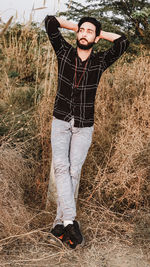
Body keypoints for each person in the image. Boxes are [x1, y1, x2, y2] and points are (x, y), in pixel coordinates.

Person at [45, 15, 129, 249]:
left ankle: (59, 224)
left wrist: (99, 32)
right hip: (60, 120)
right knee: (61, 167)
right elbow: (50, 22)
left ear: (96, 37)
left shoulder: (100, 61)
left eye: (89, 32)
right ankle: (70, 221)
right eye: (81, 31)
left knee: (74, 171)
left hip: (84, 125)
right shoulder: (63, 51)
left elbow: (123, 42)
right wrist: (78, 27)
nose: (83, 34)